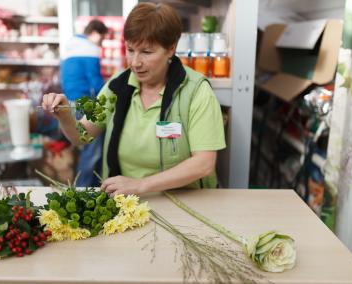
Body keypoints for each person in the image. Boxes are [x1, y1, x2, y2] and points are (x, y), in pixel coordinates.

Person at [42, 3, 226, 196]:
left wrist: (141, 185)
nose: (135, 62)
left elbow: (203, 163)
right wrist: (64, 115)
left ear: (171, 48)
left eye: (147, 52)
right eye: (130, 50)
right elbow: (82, 135)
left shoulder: (195, 92)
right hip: (127, 206)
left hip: (187, 203)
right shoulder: (116, 87)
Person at [60, 19, 108, 187]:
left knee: (85, 147)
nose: (101, 44)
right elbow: (96, 82)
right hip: (85, 103)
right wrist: (112, 92)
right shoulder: (90, 48)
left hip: (72, 100)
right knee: (92, 150)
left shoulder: (71, 44)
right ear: (95, 33)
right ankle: (85, 190)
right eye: (101, 39)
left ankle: (86, 186)